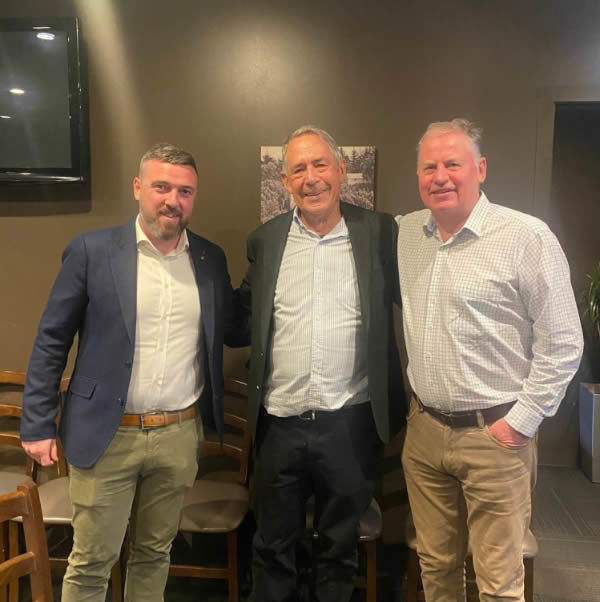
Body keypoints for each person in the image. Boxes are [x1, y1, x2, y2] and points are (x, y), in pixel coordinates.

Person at [20, 142, 238, 602]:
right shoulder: (92, 251)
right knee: (93, 560)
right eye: (161, 187)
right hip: (107, 435)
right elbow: (51, 340)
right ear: (138, 187)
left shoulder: (209, 260)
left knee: (155, 554)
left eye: (184, 191)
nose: (172, 200)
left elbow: (233, 324)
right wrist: (38, 422)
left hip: (178, 433)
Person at [397, 118, 583, 601]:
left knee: (499, 580)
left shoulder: (526, 236)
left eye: (452, 164)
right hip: (424, 433)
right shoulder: (406, 235)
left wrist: (521, 421)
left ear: (480, 168)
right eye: (429, 166)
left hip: (495, 437)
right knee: (435, 567)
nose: (440, 176)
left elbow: (563, 340)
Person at [238, 125, 406, 602]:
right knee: (272, 548)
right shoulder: (265, 241)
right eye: (298, 169)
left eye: (319, 165)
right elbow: (242, 316)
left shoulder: (379, 232)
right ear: (285, 181)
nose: (310, 178)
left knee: (338, 549)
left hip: (349, 424)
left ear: (341, 170)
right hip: (278, 425)